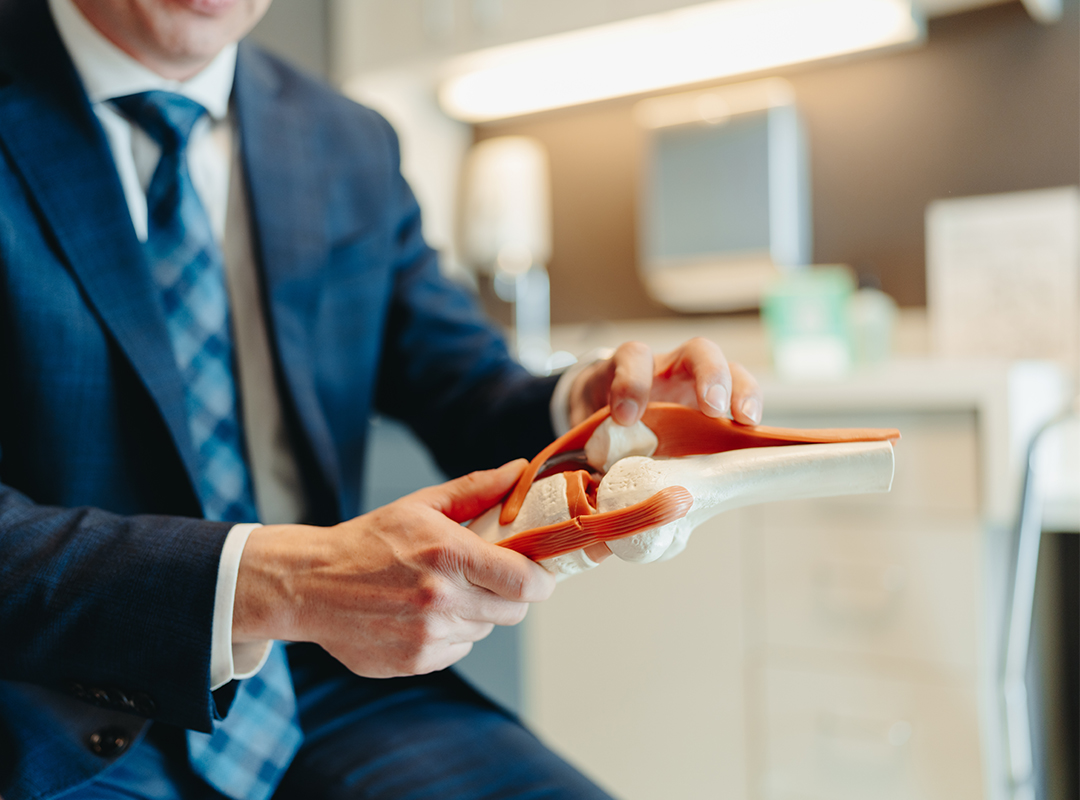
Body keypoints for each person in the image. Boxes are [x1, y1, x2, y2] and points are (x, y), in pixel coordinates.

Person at [0, 0, 764, 797]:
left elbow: (467, 389)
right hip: (44, 690)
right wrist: (285, 580)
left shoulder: (346, 139)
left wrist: (598, 409)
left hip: (323, 677)